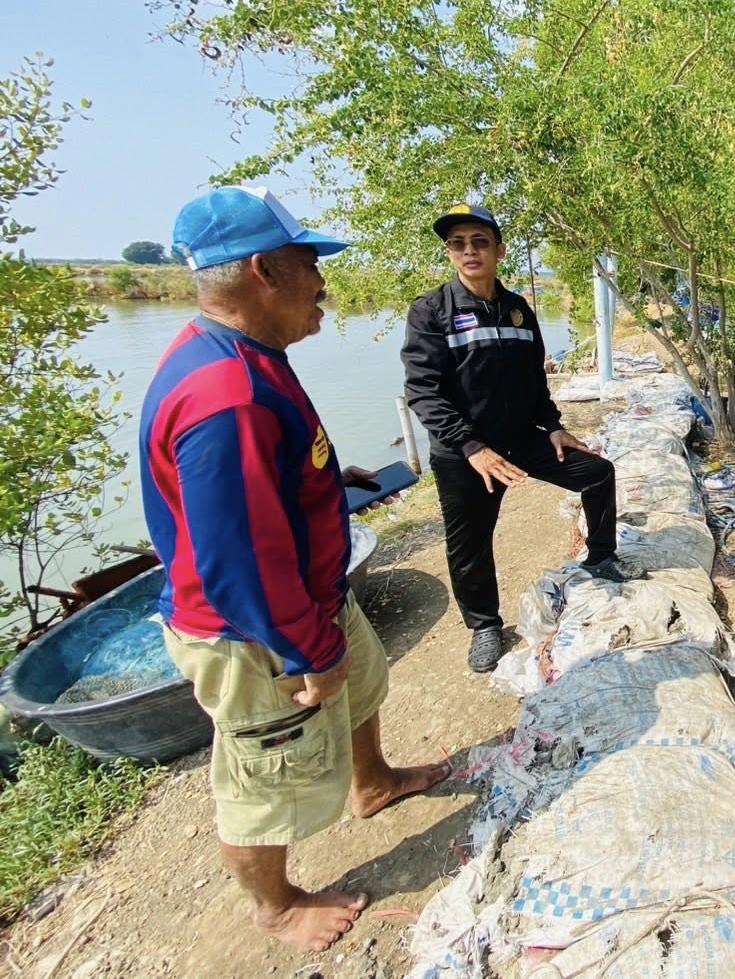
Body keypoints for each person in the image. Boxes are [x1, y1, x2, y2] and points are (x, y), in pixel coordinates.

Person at [141, 186, 450, 953]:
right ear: (263, 272)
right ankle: (275, 905)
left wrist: (319, 481)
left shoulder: (246, 356)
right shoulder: (225, 395)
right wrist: (304, 649)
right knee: (264, 772)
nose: (322, 283)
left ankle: (372, 782)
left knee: (363, 683)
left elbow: (252, 488)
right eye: (309, 264)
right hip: (255, 632)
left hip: (312, 595)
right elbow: (234, 559)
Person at [401, 204, 643, 673]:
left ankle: (601, 559)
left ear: (499, 250)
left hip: (520, 439)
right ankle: (484, 625)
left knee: (597, 473)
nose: (469, 251)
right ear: (450, 253)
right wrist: (472, 448)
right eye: (458, 243)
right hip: (465, 453)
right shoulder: (431, 311)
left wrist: (553, 426)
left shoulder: (517, 311)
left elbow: (534, 380)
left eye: (480, 241)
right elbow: (423, 392)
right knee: (470, 542)